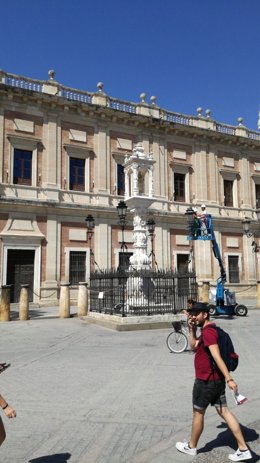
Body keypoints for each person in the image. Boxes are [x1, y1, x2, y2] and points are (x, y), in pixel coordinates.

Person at [176, 302, 252, 462]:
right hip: (216, 381)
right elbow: (193, 346)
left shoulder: (209, 333)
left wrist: (230, 379)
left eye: (196, 314)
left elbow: (216, 357)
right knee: (224, 411)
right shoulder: (208, 330)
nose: (194, 317)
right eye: (192, 314)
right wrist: (191, 329)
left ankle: (191, 447)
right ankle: (244, 448)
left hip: (206, 382)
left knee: (198, 413)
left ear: (205, 314)